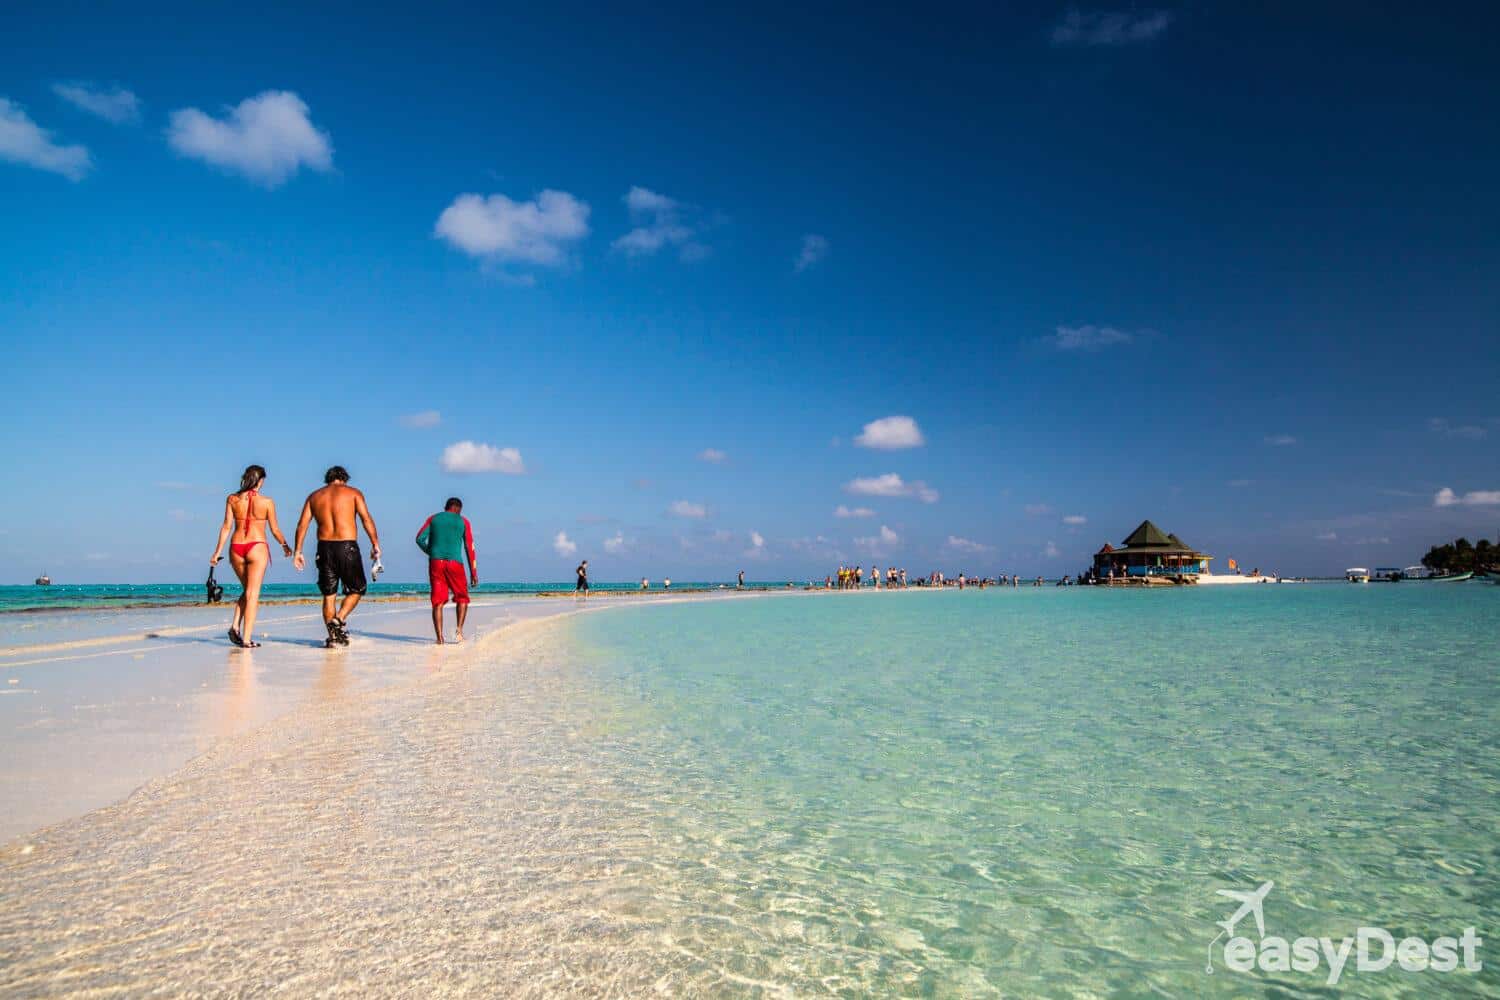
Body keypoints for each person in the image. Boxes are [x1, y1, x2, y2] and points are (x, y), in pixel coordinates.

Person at [293, 466, 381, 647]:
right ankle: (339, 619)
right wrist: (375, 544)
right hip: (347, 546)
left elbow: (302, 525)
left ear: (328, 479)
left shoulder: (314, 496)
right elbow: (366, 519)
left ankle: (333, 639)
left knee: (329, 595)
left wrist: (298, 551)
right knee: (358, 589)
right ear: (344, 479)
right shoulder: (353, 493)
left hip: (324, 548)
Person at [210, 464, 292, 647]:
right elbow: (275, 529)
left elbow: (226, 527)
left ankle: (234, 627)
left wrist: (217, 553)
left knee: (248, 591)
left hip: (236, 547)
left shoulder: (232, 499)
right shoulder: (267, 502)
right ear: (260, 481)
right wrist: (285, 545)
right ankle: (246, 639)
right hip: (257, 546)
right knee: (252, 594)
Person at [415, 497, 478, 644]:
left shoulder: (433, 518)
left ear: (446, 507)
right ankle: (459, 632)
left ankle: (440, 638)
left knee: (438, 601)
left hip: (436, 563)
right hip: (455, 564)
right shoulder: (463, 521)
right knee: (462, 597)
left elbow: (419, 538)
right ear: (459, 510)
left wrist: (431, 551)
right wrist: (473, 573)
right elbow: (469, 547)